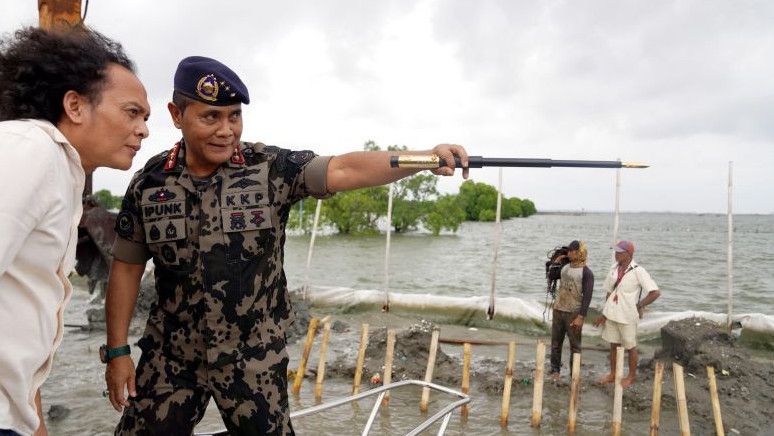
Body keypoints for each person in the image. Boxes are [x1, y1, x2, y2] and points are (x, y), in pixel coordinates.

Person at [104, 55, 469, 435]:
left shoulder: (269, 169)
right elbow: (126, 268)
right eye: (211, 117)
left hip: (252, 359)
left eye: (234, 116)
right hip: (171, 359)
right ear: (177, 115)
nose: (226, 131)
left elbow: (343, 168)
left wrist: (424, 159)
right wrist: (117, 352)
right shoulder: (149, 184)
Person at [0, 27, 150, 436]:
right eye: (132, 112)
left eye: (145, 118)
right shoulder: (29, 149)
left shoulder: (60, 172)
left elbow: (17, 318)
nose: (143, 130)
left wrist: (33, 424)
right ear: (75, 105)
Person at [593, 240, 661, 387]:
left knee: (631, 347)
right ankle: (613, 374)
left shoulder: (638, 271)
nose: (616, 254)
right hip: (612, 314)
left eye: (619, 252)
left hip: (628, 316)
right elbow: (610, 293)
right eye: (615, 251)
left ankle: (631, 376)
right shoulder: (614, 268)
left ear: (628, 254)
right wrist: (604, 314)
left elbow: (655, 292)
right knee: (613, 345)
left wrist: (640, 305)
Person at [549, 240, 594, 380]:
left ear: (579, 252)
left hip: (573, 312)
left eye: (571, 251)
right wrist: (556, 262)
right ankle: (555, 371)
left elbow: (587, 296)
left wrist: (581, 316)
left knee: (575, 345)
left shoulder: (587, 272)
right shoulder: (565, 267)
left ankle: (574, 373)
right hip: (558, 309)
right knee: (556, 343)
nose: (568, 253)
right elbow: (551, 276)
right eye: (568, 251)